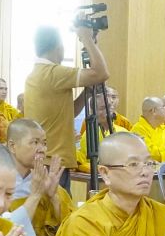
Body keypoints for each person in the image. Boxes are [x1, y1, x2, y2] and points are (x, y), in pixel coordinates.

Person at [25, 22, 111, 169]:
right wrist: (87, 38)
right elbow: (101, 73)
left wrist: (87, 92)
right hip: (52, 162)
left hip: (47, 160)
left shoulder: (38, 73)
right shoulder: (53, 72)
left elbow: (68, 112)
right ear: (58, 47)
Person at [3, 118, 70, 236]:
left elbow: (71, 228)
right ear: (12, 146)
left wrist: (53, 197)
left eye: (44, 143)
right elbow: (4, 231)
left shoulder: (45, 180)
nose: (42, 149)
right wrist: (36, 195)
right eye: (35, 142)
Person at [75, 97, 130, 172]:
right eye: (102, 108)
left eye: (109, 107)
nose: (107, 111)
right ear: (93, 112)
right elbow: (84, 161)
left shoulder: (124, 133)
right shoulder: (89, 133)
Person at [130, 96, 165, 164]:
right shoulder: (138, 130)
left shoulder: (164, 128)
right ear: (154, 111)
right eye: (163, 107)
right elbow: (150, 155)